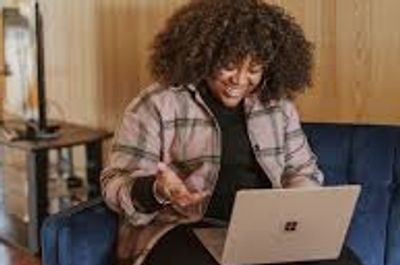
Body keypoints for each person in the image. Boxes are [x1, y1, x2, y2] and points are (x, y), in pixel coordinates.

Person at [100, 0, 362, 264]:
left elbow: (301, 171)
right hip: (182, 229)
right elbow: (115, 183)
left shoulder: (278, 106)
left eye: (254, 69)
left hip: (263, 233)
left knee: (343, 261)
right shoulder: (157, 104)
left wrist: (299, 207)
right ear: (205, 55)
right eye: (229, 65)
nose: (239, 80)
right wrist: (156, 189)